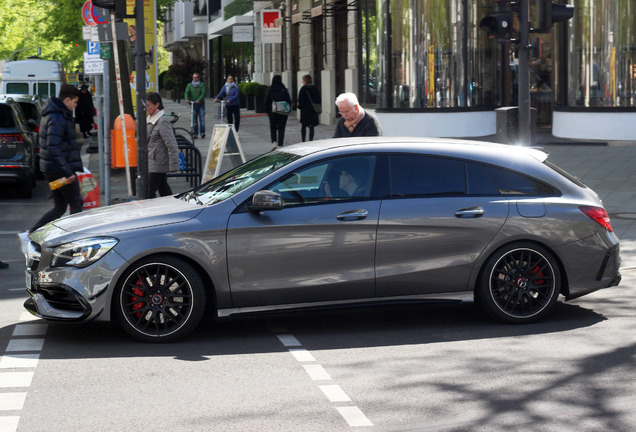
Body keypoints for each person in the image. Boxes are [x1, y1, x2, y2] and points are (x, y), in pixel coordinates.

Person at [18, 84, 84, 252]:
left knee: (60, 206)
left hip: (52, 170)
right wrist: (68, 173)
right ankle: (73, 245)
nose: (75, 105)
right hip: (59, 172)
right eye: (75, 102)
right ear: (67, 99)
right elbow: (54, 147)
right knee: (76, 204)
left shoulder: (55, 114)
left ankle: (31, 234)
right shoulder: (57, 117)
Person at [146, 92, 180, 197]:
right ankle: (171, 207)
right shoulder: (150, 119)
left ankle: (153, 211)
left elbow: (171, 144)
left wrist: (173, 165)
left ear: (157, 105)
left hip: (158, 162)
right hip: (153, 160)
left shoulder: (162, 121)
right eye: (145, 105)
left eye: (149, 105)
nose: (147, 108)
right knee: (163, 187)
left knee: (149, 191)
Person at [265, 75, 292, 150]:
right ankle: (280, 144)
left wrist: (267, 110)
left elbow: (267, 100)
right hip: (283, 112)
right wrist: (288, 110)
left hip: (273, 111)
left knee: (273, 127)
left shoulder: (271, 89)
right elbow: (289, 100)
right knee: (281, 128)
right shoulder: (283, 89)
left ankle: (274, 142)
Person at [298, 74, 321, 142]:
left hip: (305, 110)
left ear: (305, 81)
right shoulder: (315, 88)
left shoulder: (303, 89)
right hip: (313, 110)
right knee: (312, 127)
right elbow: (318, 98)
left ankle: (303, 140)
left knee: (303, 126)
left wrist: (300, 106)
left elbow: (300, 99)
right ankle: (311, 140)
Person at [184, 72, 207, 138]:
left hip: (200, 104)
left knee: (202, 119)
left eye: (196, 77)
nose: (194, 78)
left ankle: (202, 132)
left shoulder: (202, 85)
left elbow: (203, 93)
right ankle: (195, 133)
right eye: (193, 77)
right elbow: (186, 92)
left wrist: (198, 100)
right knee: (194, 120)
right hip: (193, 105)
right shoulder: (189, 85)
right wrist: (187, 98)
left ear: (199, 78)